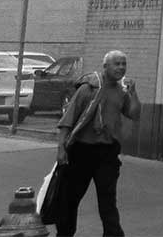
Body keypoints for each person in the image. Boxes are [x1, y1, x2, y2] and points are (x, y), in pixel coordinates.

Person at [54, 50, 141, 237]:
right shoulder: (88, 89)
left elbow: (134, 114)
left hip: (107, 153)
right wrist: (61, 149)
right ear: (105, 67)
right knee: (70, 198)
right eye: (116, 64)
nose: (121, 67)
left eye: (124, 64)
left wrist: (133, 93)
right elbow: (67, 120)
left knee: (108, 200)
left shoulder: (122, 91)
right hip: (82, 152)